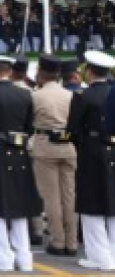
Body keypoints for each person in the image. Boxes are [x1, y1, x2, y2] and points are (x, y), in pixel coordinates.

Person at [0, 56, 43, 272]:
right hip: (19, 152)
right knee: (19, 205)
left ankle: (3, 256)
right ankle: (24, 258)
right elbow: (29, 126)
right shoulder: (25, 94)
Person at [68, 50, 115, 270]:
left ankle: (100, 257)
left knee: (91, 205)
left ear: (89, 71)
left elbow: (73, 130)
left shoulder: (83, 97)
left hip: (92, 151)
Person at [30, 55, 78, 257]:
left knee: (51, 197)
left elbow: (29, 121)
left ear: (41, 72)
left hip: (46, 145)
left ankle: (58, 241)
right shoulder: (70, 95)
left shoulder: (36, 96)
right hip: (68, 146)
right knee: (69, 196)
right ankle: (72, 242)